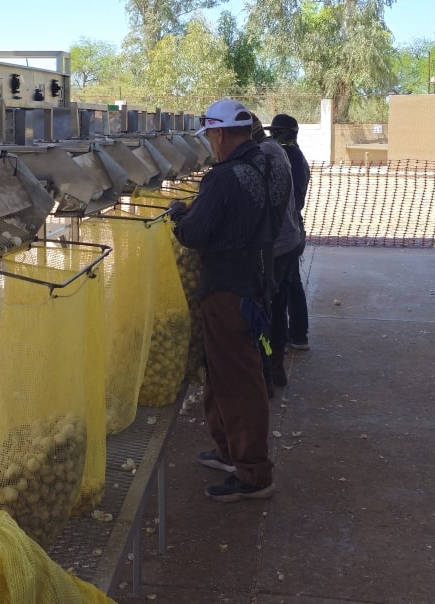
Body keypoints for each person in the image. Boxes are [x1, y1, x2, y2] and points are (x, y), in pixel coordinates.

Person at [167, 98, 285, 502]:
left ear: (217, 134)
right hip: (255, 281)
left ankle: (253, 472)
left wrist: (178, 216)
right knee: (221, 373)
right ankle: (228, 452)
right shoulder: (267, 162)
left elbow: (194, 235)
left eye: (210, 137)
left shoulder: (223, 177)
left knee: (239, 381)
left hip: (227, 291)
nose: (211, 145)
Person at [252, 115, 304, 389]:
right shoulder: (275, 151)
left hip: (277, 246)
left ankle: (268, 371)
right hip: (287, 240)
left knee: (266, 311)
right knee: (279, 305)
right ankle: (276, 368)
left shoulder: (263, 156)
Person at [267, 114, 312, 352]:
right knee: (291, 282)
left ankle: (295, 334)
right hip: (293, 228)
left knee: (289, 284)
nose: (272, 137)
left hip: (290, 228)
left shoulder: (289, 157)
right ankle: (295, 333)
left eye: (275, 132)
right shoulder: (292, 155)